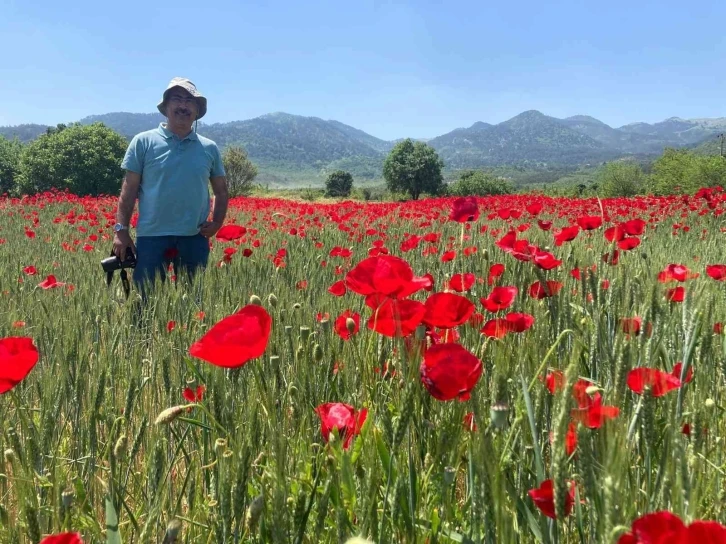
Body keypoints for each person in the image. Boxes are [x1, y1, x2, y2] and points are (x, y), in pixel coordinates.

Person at [113, 77, 229, 300]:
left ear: (197, 110)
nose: (183, 105)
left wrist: (217, 223)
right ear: (166, 106)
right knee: (143, 303)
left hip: (194, 237)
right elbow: (128, 191)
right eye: (177, 99)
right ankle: (143, 336)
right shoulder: (143, 142)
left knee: (193, 304)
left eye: (189, 101)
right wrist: (121, 231)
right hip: (151, 238)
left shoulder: (209, 148)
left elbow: (221, 191)